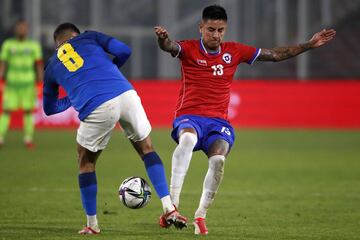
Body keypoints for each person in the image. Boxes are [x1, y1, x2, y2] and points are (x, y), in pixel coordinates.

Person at [154, 4, 336, 235]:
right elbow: (169, 46)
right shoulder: (188, 48)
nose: (216, 35)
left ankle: (200, 216)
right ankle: (172, 208)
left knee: (218, 161)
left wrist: (309, 45)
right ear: (201, 28)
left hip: (218, 123)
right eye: (211, 29)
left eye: (221, 30)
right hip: (189, 116)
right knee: (187, 141)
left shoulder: (235, 51)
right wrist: (163, 39)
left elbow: (275, 54)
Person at [43, 23, 187, 235]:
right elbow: (124, 50)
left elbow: (49, 108)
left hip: (96, 104)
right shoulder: (90, 37)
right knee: (147, 148)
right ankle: (169, 208)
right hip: (125, 93)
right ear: (77, 35)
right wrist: (111, 70)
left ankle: (92, 225)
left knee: (86, 162)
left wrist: (74, 98)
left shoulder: (53, 64)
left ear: (57, 43)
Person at [0, 20, 43, 149]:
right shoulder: (8, 44)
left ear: (27, 30)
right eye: (20, 28)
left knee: (28, 111)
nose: (22, 30)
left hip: (28, 84)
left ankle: (28, 139)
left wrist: (40, 82)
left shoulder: (33, 45)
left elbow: (39, 65)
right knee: (6, 111)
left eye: (24, 28)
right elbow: (3, 64)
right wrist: (0, 80)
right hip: (11, 84)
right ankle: (0, 138)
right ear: (15, 29)